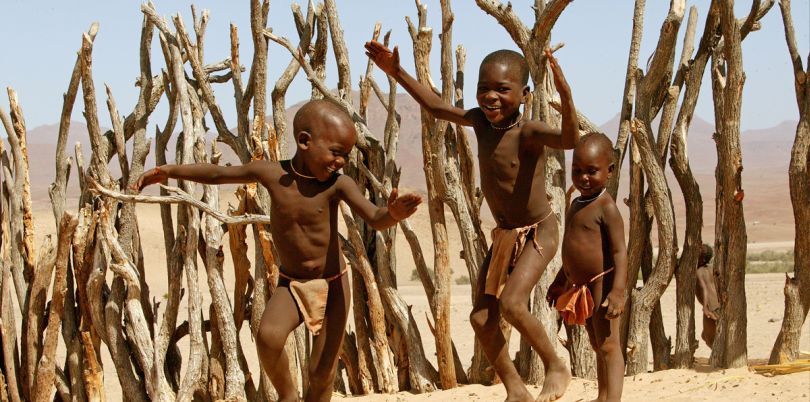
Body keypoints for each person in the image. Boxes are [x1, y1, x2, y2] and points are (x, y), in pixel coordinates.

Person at [134, 99, 422, 402]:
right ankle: (288, 397)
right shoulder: (272, 175)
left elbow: (376, 219)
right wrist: (169, 170)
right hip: (292, 284)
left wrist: (393, 215)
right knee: (268, 337)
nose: (341, 162)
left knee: (321, 373)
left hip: (333, 285)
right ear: (304, 141)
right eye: (336, 153)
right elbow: (220, 175)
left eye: (346, 155)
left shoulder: (339, 185)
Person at [366, 41, 578, 402]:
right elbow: (435, 106)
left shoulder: (529, 132)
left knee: (512, 304)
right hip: (506, 236)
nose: (490, 97)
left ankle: (556, 366)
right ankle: (516, 390)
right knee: (482, 320)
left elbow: (570, 139)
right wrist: (396, 72)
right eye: (484, 88)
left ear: (525, 95)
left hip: (539, 231)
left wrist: (567, 98)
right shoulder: (479, 122)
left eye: (502, 89)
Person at [548, 132, 627, 402]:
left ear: (610, 171)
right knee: (596, 344)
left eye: (591, 171)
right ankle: (603, 396)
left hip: (602, 283)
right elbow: (572, 248)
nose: (583, 177)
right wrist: (561, 279)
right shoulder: (576, 203)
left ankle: (613, 399)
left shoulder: (607, 207)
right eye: (577, 170)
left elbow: (619, 251)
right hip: (581, 286)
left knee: (609, 345)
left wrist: (618, 291)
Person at [695, 243, 719, 347]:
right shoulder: (712, 268)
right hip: (719, 303)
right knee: (705, 335)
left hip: (710, 307)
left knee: (708, 337)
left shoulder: (699, 272)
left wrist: (705, 308)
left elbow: (705, 289)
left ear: (702, 258)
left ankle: (718, 358)